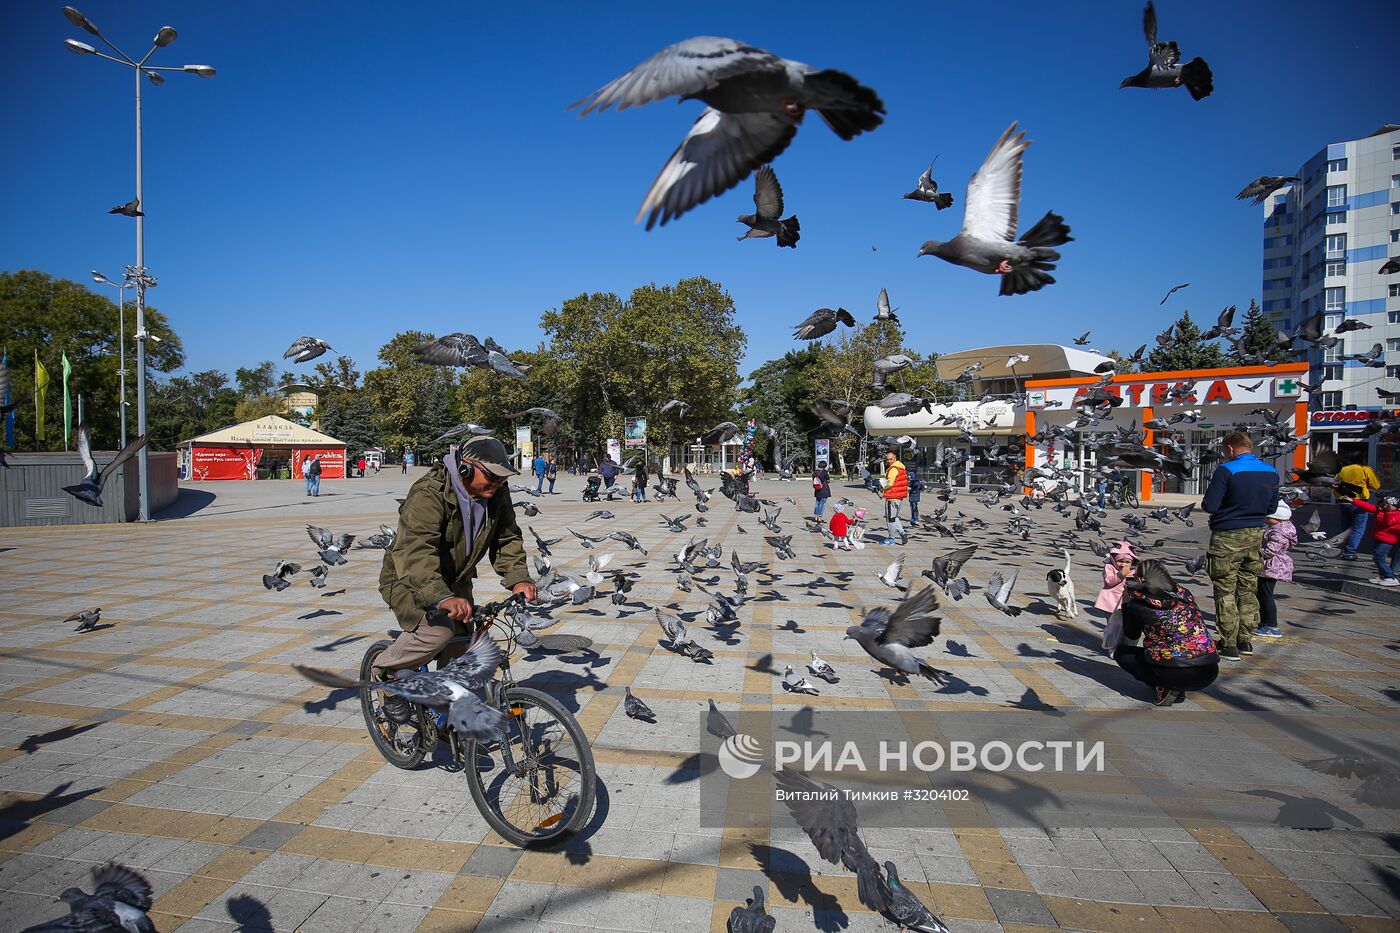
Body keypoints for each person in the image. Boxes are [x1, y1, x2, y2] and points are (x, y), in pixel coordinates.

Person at [373, 436, 538, 721]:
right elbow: (416, 550)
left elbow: (507, 537)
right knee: (440, 633)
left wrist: (518, 578)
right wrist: (442, 597)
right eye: (492, 476)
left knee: (465, 649)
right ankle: (387, 675)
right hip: (409, 579)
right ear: (466, 468)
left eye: (503, 478)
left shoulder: (496, 491)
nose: (498, 484)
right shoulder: (429, 492)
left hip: (455, 583)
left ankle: (444, 721)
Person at [1201, 432, 1277, 662]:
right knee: (1248, 588)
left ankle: (1228, 644)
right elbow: (1272, 507)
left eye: (1225, 450)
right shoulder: (1271, 472)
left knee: (1225, 589)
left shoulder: (1226, 470)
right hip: (1255, 535)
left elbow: (1210, 505)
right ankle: (1246, 640)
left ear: (1230, 448)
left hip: (1227, 536)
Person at [1114, 559, 1220, 706]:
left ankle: (1166, 686)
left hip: (1176, 672)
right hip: (1209, 669)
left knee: (1122, 654)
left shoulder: (1138, 605)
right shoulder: (1184, 594)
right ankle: (1175, 685)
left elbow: (1132, 635)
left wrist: (1126, 604)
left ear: (1139, 580)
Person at [1341, 493, 1400, 585]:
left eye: (1389, 504)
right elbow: (1368, 507)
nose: (1385, 506)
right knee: (1377, 558)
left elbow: (1388, 522)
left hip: (1387, 541)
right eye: (1385, 503)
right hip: (1378, 538)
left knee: (1379, 557)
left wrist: (1386, 512)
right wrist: (1353, 501)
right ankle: (1383, 576)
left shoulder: (1396, 514)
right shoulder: (1382, 511)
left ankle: (1390, 577)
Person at [1256, 502, 1297, 636]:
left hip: (1272, 565)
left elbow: (1270, 551)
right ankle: (1264, 623)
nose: (1266, 520)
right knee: (1262, 594)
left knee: (1266, 595)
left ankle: (1272, 626)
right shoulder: (1280, 528)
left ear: (1279, 518)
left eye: (1269, 517)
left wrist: (1256, 551)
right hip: (1271, 565)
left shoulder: (1279, 532)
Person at [1336, 454, 1382, 561]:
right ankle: (1349, 552)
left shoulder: (1342, 470)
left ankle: (1343, 550)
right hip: (1359, 502)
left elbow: (1334, 484)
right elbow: (1376, 485)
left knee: (1346, 528)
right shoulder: (1364, 469)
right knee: (1358, 529)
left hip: (1343, 501)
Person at [1095, 541, 1136, 635]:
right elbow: (1109, 581)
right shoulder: (1109, 567)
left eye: (1127, 562)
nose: (1124, 564)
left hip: (1125, 602)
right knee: (1112, 625)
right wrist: (1121, 574)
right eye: (1120, 561)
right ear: (1114, 560)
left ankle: (1122, 643)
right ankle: (1110, 644)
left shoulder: (1133, 570)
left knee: (1125, 625)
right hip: (1111, 601)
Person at [880, 450, 909, 544]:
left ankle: (891, 538)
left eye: (890, 459)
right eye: (887, 459)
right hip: (899, 497)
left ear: (895, 458)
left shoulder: (893, 469)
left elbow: (890, 483)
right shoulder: (901, 468)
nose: (888, 461)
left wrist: (883, 488)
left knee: (890, 519)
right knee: (895, 517)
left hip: (892, 497)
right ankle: (902, 533)